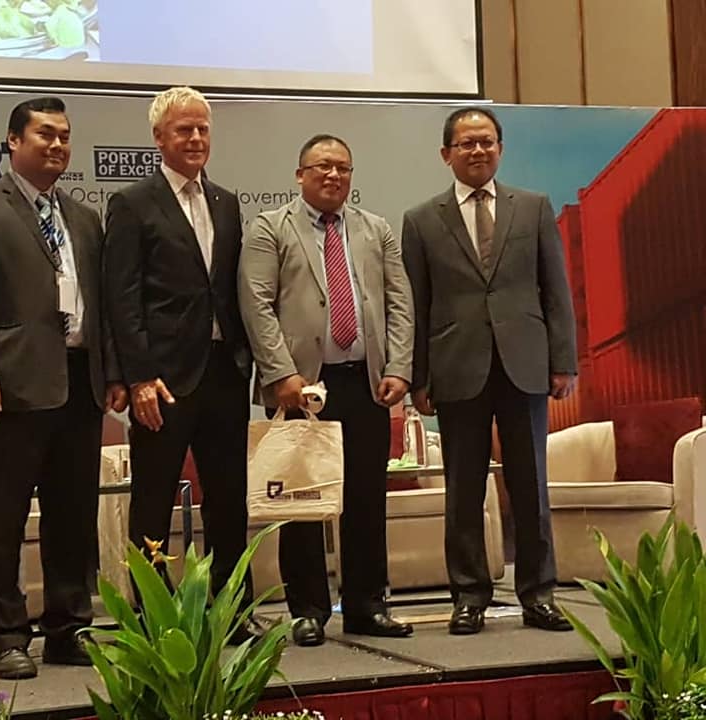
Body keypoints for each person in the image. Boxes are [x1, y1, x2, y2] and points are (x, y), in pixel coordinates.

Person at [0, 97, 128, 679]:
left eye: (64, 136)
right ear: (13, 141)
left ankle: (68, 628)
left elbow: (102, 305)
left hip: (80, 381)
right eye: (45, 134)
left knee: (72, 514)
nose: (57, 145)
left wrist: (113, 374)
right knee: (6, 515)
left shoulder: (84, 217)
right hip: (14, 382)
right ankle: (5, 635)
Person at [401, 107, 577, 635]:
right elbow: (415, 305)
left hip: (524, 364)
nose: (477, 150)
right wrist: (418, 378)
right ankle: (469, 596)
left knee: (531, 485)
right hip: (457, 367)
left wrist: (563, 361)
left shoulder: (533, 207)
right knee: (463, 489)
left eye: (486, 141)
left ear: (500, 148)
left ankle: (538, 594)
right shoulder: (421, 219)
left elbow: (556, 290)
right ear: (446, 154)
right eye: (466, 143)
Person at [238, 133, 415, 647]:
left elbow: (400, 303)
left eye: (343, 167)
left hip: (366, 382)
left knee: (366, 497)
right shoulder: (270, 228)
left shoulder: (376, 229)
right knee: (301, 500)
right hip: (302, 386)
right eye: (322, 167)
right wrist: (281, 374)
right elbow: (256, 305)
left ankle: (366, 605)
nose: (334, 175)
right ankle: (308, 610)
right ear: (300, 175)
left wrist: (399, 367)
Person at [103, 87, 255, 639]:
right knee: (153, 500)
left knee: (229, 501)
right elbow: (122, 297)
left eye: (202, 129)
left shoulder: (226, 202)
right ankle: (154, 620)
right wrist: (138, 376)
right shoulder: (132, 203)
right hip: (163, 380)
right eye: (183, 130)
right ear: (159, 138)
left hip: (224, 372)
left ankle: (234, 612)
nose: (195, 138)